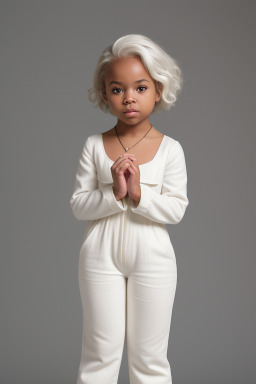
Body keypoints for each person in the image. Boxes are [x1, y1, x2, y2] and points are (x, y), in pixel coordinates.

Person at [70, 34, 189, 384]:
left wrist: (138, 195)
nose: (129, 98)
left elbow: (177, 209)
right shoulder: (93, 145)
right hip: (98, 255)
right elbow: (78, 205)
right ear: (105, 94)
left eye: (140, 87)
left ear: (158, 90)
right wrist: (115, 193)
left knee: (150, 361)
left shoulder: (171, 150)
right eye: (118, 89)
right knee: (99, 357)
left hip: (153, 257)